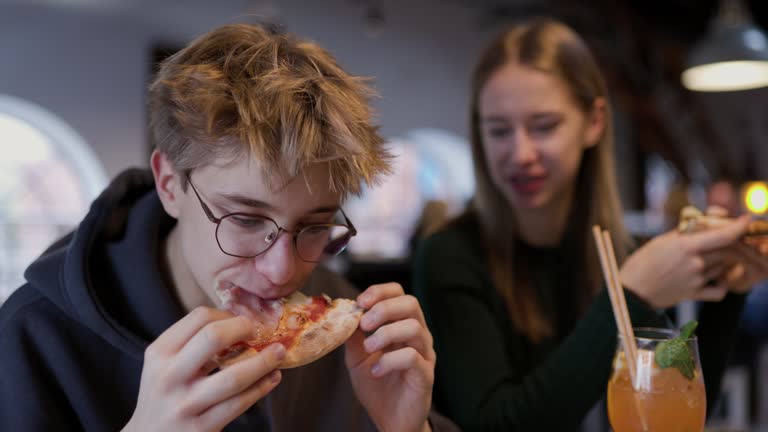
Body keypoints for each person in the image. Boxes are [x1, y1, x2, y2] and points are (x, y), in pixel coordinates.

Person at [0, 23, 457, 432]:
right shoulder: (34, 337)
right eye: (245, 219)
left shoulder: (343, 324)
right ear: (169, 183)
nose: (281, 272)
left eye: (315, 226)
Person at [412, 18, 768, 431]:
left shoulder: (625, 252)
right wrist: (633, 292)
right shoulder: (449, 256)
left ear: (594, 121)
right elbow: (499, 424)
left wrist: (728, 291)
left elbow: (667, 411)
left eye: (543, 126)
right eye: (498, 131)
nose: (520, 152)